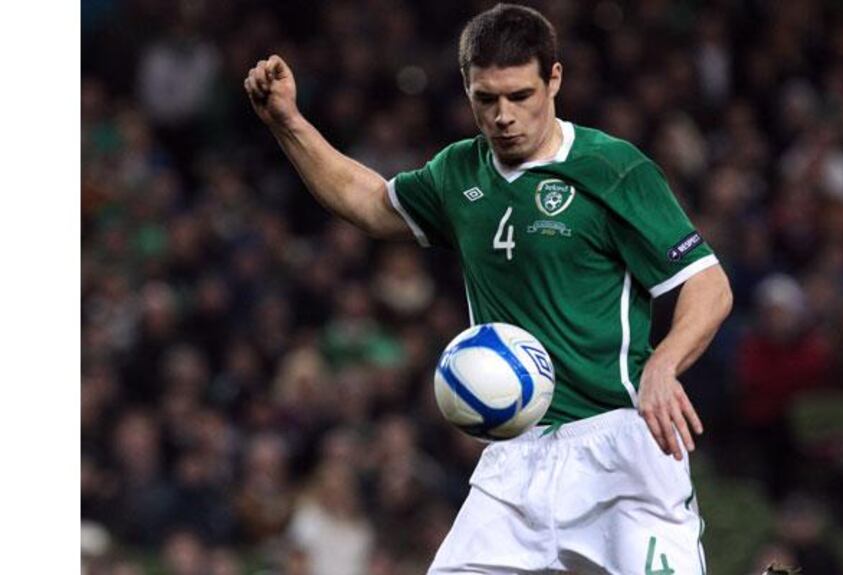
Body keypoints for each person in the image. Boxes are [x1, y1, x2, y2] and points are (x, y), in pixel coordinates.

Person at [244, 4, 732, 573]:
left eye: (520, 96)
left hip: (620, 448)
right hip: (515, 459)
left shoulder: (611, 168)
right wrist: (288, 123)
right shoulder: (458, 173)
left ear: (554, 79)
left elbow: (708, 283)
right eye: (486, 99)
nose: (503, 116)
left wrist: (664, 364)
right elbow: (369, 205)